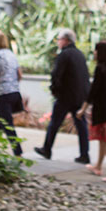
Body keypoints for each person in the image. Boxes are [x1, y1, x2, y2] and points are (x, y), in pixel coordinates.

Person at [34, 28, 91, 163]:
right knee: (81, 125)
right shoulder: (80, 54)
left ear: (65, 40)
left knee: (54, 123)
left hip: (65, 96)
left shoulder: (64, 55)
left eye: (59, 39)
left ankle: (47, 149)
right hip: (79, 96)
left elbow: (56, 74)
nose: (58, 42)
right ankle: (84, 154)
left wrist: (54, 90)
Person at [77, 41, 106, 183]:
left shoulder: (100, 69)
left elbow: (93, 92)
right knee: (104, 140)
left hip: (104, 111)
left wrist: (82, 109)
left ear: (101, 52)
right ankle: (97, 167)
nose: (94, 53)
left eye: (96, 50)